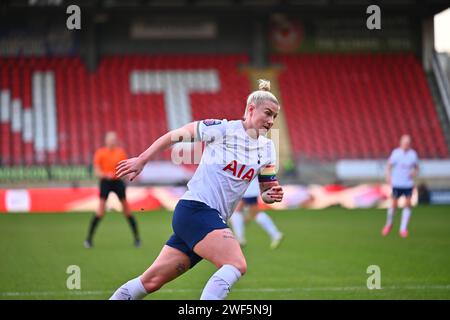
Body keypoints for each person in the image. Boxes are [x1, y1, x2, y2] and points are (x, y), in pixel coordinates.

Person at [110, 79, 284, 300]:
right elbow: (177, 134)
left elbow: (267, 190)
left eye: (274, 117)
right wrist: (142, 159)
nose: (270, 121)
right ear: (251, 109)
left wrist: (272, 195)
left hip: (207, 219)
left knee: (151, 281)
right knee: (236, 264)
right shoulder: (223, 129)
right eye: (267, 113)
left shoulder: (268, 148)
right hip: (196, 210)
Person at [84, 131, 141, 248]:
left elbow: (124, 169)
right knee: (100, 211)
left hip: (118, 182)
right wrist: (106, 175)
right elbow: (97, 171)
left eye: (114, 140)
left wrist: (129, 175)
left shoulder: (120, 152)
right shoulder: (100, 153)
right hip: (105, 182)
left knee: (127, 210)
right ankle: (89, 240)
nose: (112, 142)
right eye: (110, 140)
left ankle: (137, 239)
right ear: (106, 141)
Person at [229, 177, 284, 249]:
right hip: (248, 186)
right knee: (244, 211)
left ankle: (240, 239)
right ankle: (240, 239)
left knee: (245, 211)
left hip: (247, 186)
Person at [382, 134, 419, 238]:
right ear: (401, 143)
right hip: (397, 183)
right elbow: (389, 165)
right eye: (404, 142)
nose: (406, 144)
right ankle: (389, 224)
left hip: (408, 184)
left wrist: (414, 173)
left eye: (408, 143)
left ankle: (403, 229)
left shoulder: (413, 154)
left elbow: (417, 167)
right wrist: (388, 176)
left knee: (408, 204)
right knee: (394, 204)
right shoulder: (396, 153)